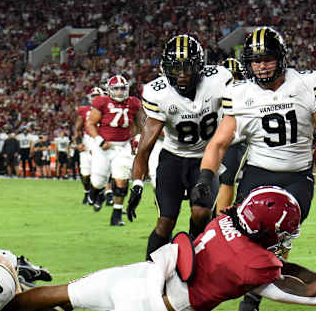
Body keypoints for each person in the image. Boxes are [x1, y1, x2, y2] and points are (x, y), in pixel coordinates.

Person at [0, 186, 316, 311]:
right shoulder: (252, 266)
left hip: (139, 275)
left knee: (66, 291)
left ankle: (1, 308)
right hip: (151, 310)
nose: (285, 239)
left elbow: (282, 268)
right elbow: (304, 295)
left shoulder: (225, 220)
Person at [196, 27, 316, 311]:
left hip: (296, 177)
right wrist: (205, 177)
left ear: (280, 58)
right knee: (240, 237)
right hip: (258, 173)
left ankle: (252, 298)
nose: (261, 66)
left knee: (275, 242)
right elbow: (218, 142)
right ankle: (229, 285)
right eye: (255, 61)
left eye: (267, 59)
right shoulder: (240, 93)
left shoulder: (305, 84)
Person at [128, 35, 232, 254]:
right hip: (173, 157)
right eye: (176, 69)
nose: (182, 75)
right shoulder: (158, 93)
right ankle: (152, 271)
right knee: (165, 222)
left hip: (206, 157)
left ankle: (194, 253)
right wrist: (137, 184)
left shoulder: (218, 81)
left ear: (199, 67)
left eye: (187, 68)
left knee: (201, 214)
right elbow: (145, 148)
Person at [86, 74, 141, 226]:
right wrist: (99, 139)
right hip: (104, 146)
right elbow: (90, 123)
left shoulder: (134, 103)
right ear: (109, 90)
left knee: (122, 180)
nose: (119, 92)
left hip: (123, 146)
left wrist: (136, 138)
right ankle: (96, 193)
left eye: (122, 88)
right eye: (116, 89)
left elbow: (140, 124)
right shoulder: (101, 101)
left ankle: (116, 215)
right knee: (99, 180)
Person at [214, 57, 248, 215]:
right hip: (214, 143)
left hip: (236, 142)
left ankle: (220, 222)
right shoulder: (210, 95)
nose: (233, 81)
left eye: (235, 77)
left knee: (228, 180)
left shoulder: (245, 94)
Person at [75, 87, 105, 204]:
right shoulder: (84, 110)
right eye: (93, 96)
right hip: (87, 141)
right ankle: (87, 192)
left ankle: (99, 194)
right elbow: (77, 129)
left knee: (99, 170)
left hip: (101, 139)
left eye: (98, 96)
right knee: (85, 172)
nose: (96, 98)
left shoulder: (107, 109)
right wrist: (78, 143)